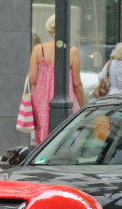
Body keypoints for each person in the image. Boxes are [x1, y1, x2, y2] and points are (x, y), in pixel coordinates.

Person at [27, 14, 84, 145]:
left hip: (40, 99)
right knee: (64, 132)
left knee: (43, 133)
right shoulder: (72, 52)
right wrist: (82, 105)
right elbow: (77, 84)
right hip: (65, 97)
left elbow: (32, 80)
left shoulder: (38, 49)